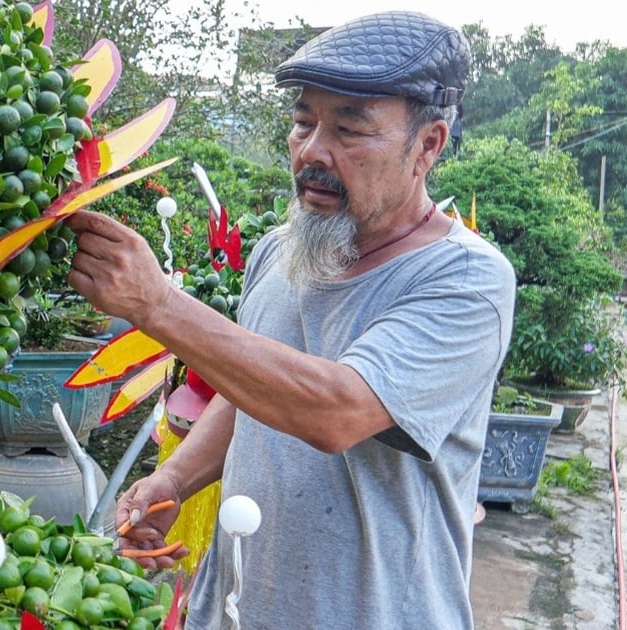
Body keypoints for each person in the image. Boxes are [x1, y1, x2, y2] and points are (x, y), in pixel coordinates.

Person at [65, 11, 515, 629]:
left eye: (349, 131)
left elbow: (337, 411)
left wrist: (158, 304)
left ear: (428, 145)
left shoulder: (465, 282)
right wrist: (173, 479)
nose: (312, 151)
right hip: (235, 611)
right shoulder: (283, 248)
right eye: (303, 122)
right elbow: (251, 390)